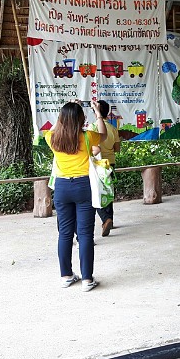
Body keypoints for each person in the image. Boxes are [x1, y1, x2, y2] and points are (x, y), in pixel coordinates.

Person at [45, 101, 107, 291]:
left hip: (62, 187)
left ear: (61, 119)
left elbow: (55, 127)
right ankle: (87, 279)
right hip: (83, 186)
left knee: (64, 233)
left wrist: (65, 113)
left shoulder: (52, 138)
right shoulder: (88, 136)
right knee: (85, 233)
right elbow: (104, 134)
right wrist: (98, 113)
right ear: (82, 119)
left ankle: (66, 276)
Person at [91, 100, 120, 237]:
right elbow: (117, 148)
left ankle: (105, 219)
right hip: (110, 163)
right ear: (107, 112)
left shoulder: (92, 127)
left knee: (98, 192)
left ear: (95, 112)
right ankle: (110, 220)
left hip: (97, 164)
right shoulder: (113, 128)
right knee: (109, 191)